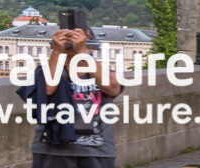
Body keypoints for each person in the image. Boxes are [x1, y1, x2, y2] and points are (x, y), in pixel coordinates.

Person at [15, 23, 126, 166]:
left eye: (80, 36)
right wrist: (56, 52)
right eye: (68, 36)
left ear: (91, 44)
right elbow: (47, 90)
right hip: (52, 150)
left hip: (96, 150)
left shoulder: (105, 73)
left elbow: (111, 87)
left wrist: (83, 53)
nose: (73, 41)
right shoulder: (44, 72)